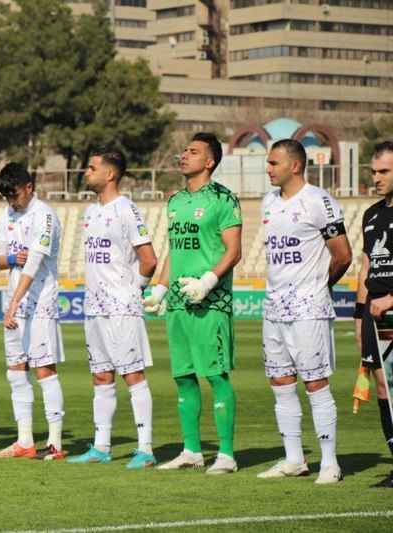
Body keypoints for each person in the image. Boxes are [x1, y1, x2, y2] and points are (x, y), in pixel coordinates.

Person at [143, 132, 242, 474]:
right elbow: (174, 250)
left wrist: (207, 282)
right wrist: (160, 289)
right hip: (179, 305)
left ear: (210, 161)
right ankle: (192, 451)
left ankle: (226, 454)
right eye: (184, 150)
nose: (184, 155)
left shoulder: (223, 199)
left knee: (215, 375)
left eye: (193, 151)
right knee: (184, 377)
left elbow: (234, 251)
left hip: (211, 303)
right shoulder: (175, 201)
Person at [257, 139, 351, 484]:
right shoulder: (268, 202)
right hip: (274, 307)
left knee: (315, 382)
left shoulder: (318, 201)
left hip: (308, 308)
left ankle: (330, 463)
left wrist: (320, 286)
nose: (268, 168)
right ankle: (294, 459)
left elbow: (342, 254)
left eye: (274, 163)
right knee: (280, 381)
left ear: (295, 166)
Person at [68, 148, 158, 467]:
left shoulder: (127, 209)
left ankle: (145, 449)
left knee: (132, 375)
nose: (86, 173)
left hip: (121, 307)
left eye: (92, 168)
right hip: (94, 307)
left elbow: (149, 260)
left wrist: (135, 290)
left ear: (110, 174)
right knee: (101, 377)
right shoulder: (90, 212)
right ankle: (101, 447)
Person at [0, 162, 65, 460]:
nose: (11, 200)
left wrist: (13, 303)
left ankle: (55, 444)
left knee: (44, 370)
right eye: (6, 195)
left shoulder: (44, 215)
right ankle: (24, 441)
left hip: (40, 302)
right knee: (16, 371)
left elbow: (34, 262)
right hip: (15, 303)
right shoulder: (6, 214)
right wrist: (10, 258)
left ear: (29, 187)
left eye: (15, 194)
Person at [356, 140, 393, 488]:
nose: (376, 178)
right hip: (374, 311)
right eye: (373, 172)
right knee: (383, 388)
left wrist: (392, 299)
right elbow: (366, 266)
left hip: (391, 306)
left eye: (384, 171)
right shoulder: (371, 214)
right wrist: (359, 316)